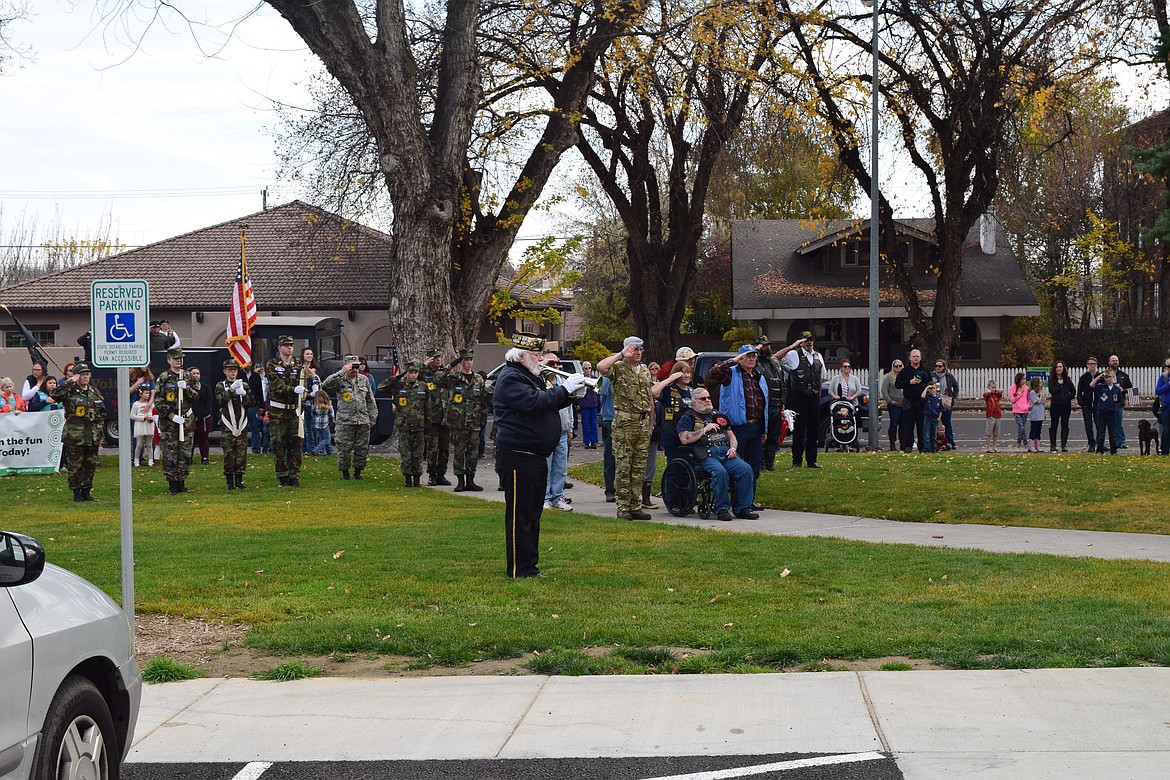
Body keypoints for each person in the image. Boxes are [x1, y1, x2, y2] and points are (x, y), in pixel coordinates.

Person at [492, 333, 582, 577]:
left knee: (532, 514)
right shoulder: (511, 378)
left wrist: (572, 392)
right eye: (536, 355)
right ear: (522, 356)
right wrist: (563, 390)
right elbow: (533, 403)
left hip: (534, 455)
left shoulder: (529, 376)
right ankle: (518, 569)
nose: (540, 359)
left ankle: (530, 565)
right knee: (520, 515)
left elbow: (547, 403)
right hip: (518, 455)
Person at [675, 388, 757, 521]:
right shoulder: (688, 417)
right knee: (720, 472)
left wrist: (733, 448)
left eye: (708, 398)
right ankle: (722, 508)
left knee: (745, 469)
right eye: (703, 399)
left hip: (725, 452)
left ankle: (743, 508)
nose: (707, 400)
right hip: (706, 455)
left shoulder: (718, 415)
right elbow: (684, 439)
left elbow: (731, 435)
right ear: (694, 402)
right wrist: (703, 430)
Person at [597, 337, 654, 520]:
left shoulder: (644, 370)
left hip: (642, 423)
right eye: (634, 349)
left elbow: (649, 397)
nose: (638, 353)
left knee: (638, 467)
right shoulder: (619, 368)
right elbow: (601, 367)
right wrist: (621, 355)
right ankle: (622, 506)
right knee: (623, 465)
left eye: (640, 349)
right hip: (624, 424)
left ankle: (635, 505)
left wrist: (650, 423)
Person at [709, 344, 769, 483]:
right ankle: (737, 500)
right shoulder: (730, 374)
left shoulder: (759, 377)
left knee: (755, 466)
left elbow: (764, 404)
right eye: (747, 356)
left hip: (756, 427)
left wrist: (764, 429)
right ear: (740, 358)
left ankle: (749, 500)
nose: (751, 359)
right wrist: (733, 360)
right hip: (737, 427)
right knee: (737, 465)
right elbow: (714, 372)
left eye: (753, 356)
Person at [50, 362, 106, 502]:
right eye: (82, 374)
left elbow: (102, 413)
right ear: (76, 376)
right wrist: (69, 382)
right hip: (75, 436)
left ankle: (87, 492)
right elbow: (55, 395)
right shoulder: (69, 391)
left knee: (90, 465)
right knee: (75, 466)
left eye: (87, 374)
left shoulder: (94, 391)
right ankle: (76, 493)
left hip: (92, 435)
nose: (85, 377)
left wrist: (100, 433)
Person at [323, 354, 379, 481]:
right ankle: (345, 473)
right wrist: (342, 372)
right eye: (352, 367)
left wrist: (373, 418)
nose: (354, 369)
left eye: (357, 367)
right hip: (345, 421)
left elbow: (370, 400)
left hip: (362, 420)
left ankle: (358, 472)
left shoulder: (363, 379)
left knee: (362, 448)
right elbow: (326, 383)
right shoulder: (340, 379)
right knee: (344, 448)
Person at [776, 332, 826, 467]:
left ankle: (812, 460)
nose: (809, 342)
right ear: (800, 342)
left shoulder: (818, 356)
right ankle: (796, 460)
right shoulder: (794, 354)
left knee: (813, 430)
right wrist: (792, 346)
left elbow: (821, 377)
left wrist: (818, 395)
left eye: (811, 340)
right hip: (799, 396)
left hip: (814, 397)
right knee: (798, 430)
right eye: (805, 340)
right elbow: (775, 358)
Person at [155, 347, 198, 494]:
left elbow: (196, 397)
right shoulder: (163, 378)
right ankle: (172, 484)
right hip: (170, 423)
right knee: (170, 454)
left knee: (185, 453)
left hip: (186, 422)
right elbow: (158, 401)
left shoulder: (188, 376)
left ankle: (182, 483)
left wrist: (186, 388)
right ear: (169, 360)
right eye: (175, 359)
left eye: (180, 358)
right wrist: (171, 416)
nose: (178, 361)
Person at [380, 361, 430, 486]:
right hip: (404, 426)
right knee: (406, 454)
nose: (413, 375)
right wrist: (397, 376)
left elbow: (428, 406)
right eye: (411, 372)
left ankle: (417, 479)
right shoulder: (399, 386)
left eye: (415, 372)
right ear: (407, 373)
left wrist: (428, 423)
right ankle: (408, 479)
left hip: (419, 426)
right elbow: (381, 387)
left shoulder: (423, 387)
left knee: (418, 455)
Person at [444, 349, 488, 492]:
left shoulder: (478, 380)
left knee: (473, 453)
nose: (469, 363)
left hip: (473, 423)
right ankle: (460, 481)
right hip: (458, 423)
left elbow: (483, 401)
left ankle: (470, 480)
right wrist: (451, 365)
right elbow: (438, 378)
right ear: (462, 362)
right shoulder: (454, 378)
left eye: (470, 360)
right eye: (466, 360)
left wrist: (482, 420)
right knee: (459, 452)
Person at [266, 335, 307, 487]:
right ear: (279, 348)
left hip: (293, 410)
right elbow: (276, 385)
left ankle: (294, 475)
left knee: (296, 444)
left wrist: (303, 392)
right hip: (278, 411)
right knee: (279, 444)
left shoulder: (298, 364)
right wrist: (293, 389)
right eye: (286, 345)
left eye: (291, 345)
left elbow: (303, 381)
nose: (289, 348)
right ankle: (282, 475)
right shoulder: (272, 364)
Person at [217, 359, 256, 490]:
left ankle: (239, 480)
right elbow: (221, 400)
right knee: (229, 453)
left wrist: (244, 394)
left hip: (242, 423)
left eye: (234, 369)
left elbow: (251, 403)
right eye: (229, 370)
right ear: (224, 371)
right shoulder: (221, 385)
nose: (232, 372)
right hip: (228, 425)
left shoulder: (244, 385)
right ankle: (230, 482)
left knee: (241, 454)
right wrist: (231, 390)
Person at [542, 363, 575, 513]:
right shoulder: (541, 382)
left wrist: (570, 427)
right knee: (547, 467)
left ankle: (558, 497)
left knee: (561, 467)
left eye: (557, 363)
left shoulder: (563, 382)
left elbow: (569, 407)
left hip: (562, 431)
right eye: (551, 364)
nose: (555, 366)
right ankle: (545, 497)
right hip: (547, 431)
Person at [421, 348, 452, 486]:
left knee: (444, 448)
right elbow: (414, 380)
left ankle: (441, 474)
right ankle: (432, 474)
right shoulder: (424, 375)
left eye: (439, 357)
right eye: (435, 358)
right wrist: (423, 365)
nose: (438, 360)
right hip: (431, 418)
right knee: (432, 448)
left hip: (444, 417)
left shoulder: (444, 374)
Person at [754, 339, 787, 470]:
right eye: (762, 345)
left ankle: (770, 463)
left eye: (767, 345)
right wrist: (755, 350)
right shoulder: (755, 362)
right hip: (763, 406)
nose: (765, 347)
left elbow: (782, 383)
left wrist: (782, 402)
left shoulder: (774, 362)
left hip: (776, 404)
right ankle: (761, 463)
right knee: (762, 435)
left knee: (773, 436)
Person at [895, 349, 931, 452]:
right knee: (908, 425)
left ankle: (922, 446)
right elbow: (898, 384)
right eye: (914, 356)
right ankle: (908, 445)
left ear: (920, 357)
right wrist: (909, 382)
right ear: (910, 358)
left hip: (922, 402)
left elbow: (930, 383)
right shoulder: (904, 371)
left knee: (922, 425)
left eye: (917, 356)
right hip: (909, 402)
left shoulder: (925, 370)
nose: (916, 358)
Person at [1092, 369, 1124, 454]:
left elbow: (1120, 401)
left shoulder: (1116, 389)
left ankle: (1113, 450)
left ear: (1113, 377)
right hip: (1101, 412)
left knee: (1112, 432)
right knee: (1101, 432)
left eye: (1109, 377)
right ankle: (1099, 450)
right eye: (1106, 377)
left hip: (1112, 413)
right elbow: (1091, 385)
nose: (1108, 379)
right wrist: (1099, 376)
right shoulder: (1101, 387)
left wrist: (1115, 407)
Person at [931, 358, 959, 450]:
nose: (938, 368)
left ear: (944, 367)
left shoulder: (948, 376)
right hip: (934, 401)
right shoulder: (931, 375)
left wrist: (953, 396)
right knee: (933, 422)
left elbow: (955, 386)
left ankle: (950, 442)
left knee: (947, 422)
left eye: (940, 366)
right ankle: (934, 442)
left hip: (945, 401)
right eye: (936, 366)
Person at [1047, 360, 1075, 453]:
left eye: (1060, 367)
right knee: (1054, 424)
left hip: (1066, 405)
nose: (1059, 368)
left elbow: (1073, 391)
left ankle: (1064, 444)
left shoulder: (1067, 379)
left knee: (1065, 424)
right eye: (1057, 367)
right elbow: (1052, 391)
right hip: (1055, 405)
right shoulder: (1051, 380)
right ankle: (1053, 445)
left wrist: (1068, 397)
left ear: (1063, 368)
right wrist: (1059, 384)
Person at [190, 366, 215, 466]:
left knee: (203, 439)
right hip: (189, 419)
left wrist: (200, 416)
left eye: (197, 373)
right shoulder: (186, 388)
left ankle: (204, 458)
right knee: (190, 440)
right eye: (193, 373)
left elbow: (208, 404)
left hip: (204, 419)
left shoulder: (205, 388)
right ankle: (188, 458)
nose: (196, 375)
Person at [1107, 355, 1133, 449]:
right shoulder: (1104, 374)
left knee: (1118, 423)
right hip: (1107, 403)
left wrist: (1123, 389)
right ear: (1109, 362)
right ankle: (1111, 442)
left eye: (1116, 360)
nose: (1115, 362)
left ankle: (1120, 441)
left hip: (1119, 403)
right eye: (1113, 360)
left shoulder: (1123, 375)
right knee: (1107, 423)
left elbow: (1130, 388)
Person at [300, 347, 323, 455]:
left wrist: (307, 394)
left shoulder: (315, 371)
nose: (309, 355)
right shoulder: (299, 368)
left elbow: (317, 390)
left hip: (313, 403)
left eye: (311, 354)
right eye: (307, 354)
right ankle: (308, 449)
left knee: (315, 427)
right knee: (306, 428)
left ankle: (316, 449)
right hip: (302, 403)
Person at [598, 370, 616, 501]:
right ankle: (610, 490)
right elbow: (602, 391)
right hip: (609, 419)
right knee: (610, 456)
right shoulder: (606, 378)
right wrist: (606, 375)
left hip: (625, 419)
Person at [880, 359, 905, 451]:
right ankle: (892, 443)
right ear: (893, 367)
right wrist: (890, 401)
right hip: (894, 405)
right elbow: (884, 391)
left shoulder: (905, 376)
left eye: (900, 366)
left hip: (904, 404)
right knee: (894, 423)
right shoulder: (889, 377)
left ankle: (903, 443)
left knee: (903, 424)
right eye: (896, 366)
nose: (898, 368)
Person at [1076, 357, 1099, 452]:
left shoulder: (1100, 377)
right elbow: (1079, 391)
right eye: (1090, 364)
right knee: (1088, 425)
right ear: (1087, 365)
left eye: (1094, 363)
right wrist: (1082, 403)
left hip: (1098, 405)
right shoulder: (1084, 377)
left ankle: (1100, 443)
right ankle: (1091, 443)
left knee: (1099, 425)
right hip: (1087, 405)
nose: (1092, 365)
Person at [248, 364, 270, 454]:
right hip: (244, 405)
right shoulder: (241, 375)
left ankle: (258, 449)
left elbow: (260, 391)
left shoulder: (258, 377)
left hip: (256, 406)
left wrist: (261, 406)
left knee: (257, 429)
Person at [130, 388, 156, 467]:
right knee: (139, 444)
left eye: (148, 393)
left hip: (149, 425)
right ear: (140, 394)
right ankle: (136, 460)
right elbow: (132, 416)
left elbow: (154, 413)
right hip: (140, 425)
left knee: (149, 444)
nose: (148, 395)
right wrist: (142, 418)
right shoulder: (136, 404)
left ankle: (151, 460)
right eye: (146, 393)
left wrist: (151, 418)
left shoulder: (151, 404)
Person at [578, 361, 600, 449]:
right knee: (585, 424)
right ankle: (587, 442)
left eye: (589, 368)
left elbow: (598, 391)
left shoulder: (595, 378)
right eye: (586, 368)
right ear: (583, 369)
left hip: (594, 404)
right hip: (584, 405)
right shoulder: (581, 379)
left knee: (594, 424)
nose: (588, 370)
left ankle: (594, 441)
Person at [310, 390, 335, 455]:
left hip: (317, 424)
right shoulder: (328, 404)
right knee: (327, 439)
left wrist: (315, 420)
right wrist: (331, 420)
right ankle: (316, 449)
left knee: (321, 437)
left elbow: (313, 413)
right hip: (325, 424)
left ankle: (322, 452)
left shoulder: (315, 405)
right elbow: (331, 414)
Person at [1008, 372, 1029, 450]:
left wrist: (1027, 406)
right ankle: (1026, 444)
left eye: (1025, 379)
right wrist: (1019, 393)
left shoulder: (1026, 388)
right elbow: (1012, 399)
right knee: (1021, 427)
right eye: (1023, 379)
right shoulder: (1012, 388)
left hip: (1025, 410)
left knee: (1021, 428)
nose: (1024, 381)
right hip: (1017, 410)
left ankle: (1018, 443)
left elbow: (1028, 399)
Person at [983, 379, 1003, 453]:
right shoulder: (987, 395)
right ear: (988, 387)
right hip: (990, 416)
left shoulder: (996, 394)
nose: (994, 389)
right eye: (992, 387)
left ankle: (994, 446)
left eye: (995, 387)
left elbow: (1001, 392)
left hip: (998, 415)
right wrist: (989, 391)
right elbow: (986, 394)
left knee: (996, 433)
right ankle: (988, 447)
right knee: (989, 433)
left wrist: (999, 390)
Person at [923, 382, 943, 452]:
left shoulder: (938, 399)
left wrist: (939, 418)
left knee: (933, 434)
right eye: (930, 388)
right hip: (928, 416)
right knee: (926, 433)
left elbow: (941, 409)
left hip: (935, 417)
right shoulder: (927, 397)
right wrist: (926, 388)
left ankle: (933, 448)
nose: (932, 390)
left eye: (933, 388)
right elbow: (922, 396)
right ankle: (927, 448)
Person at [1155, 359, 1170, 456]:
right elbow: (1158, 391)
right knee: (1166, 430)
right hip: (1166, 407)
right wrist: (1167, 386)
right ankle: (1164, 451)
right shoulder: (1164, 378)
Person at [1027, 376, 1045, 453]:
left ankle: (1037, 445)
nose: (1041, 384)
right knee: (1033, 430)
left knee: (1038, 430)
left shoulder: (1038, 392)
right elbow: (1038, 401)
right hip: (1035, 415)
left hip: (1040, 414)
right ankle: (1031, 445)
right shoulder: (1032, 393)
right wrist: (1041, 396)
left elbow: (1043, 403)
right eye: (1040, 382)